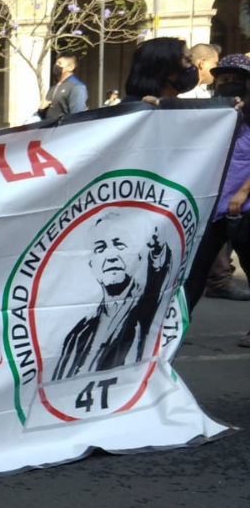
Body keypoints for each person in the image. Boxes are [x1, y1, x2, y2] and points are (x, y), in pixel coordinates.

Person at [52, 210, 173, 380]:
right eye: (100, 248)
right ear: (91, 263)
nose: (111, 257)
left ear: (139, 255)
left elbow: (158, 272)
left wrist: (158, 249)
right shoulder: (78, 332)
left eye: (120, 245)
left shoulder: (144, 308)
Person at [182, 52, 250, 315]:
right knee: (196, 269)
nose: (228, 82)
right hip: (214, 206)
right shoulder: (212, 113)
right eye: (223, 78)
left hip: (243, 207)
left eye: (236, 78)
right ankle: (173, 328)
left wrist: (242, 193)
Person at [39, 52, 87, 121]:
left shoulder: (76, 87)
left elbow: (77, 117)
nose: (56, 66)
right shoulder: (53, 88)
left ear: (71, 67)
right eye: (56, 63)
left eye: (59, 63)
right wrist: (41, 110)